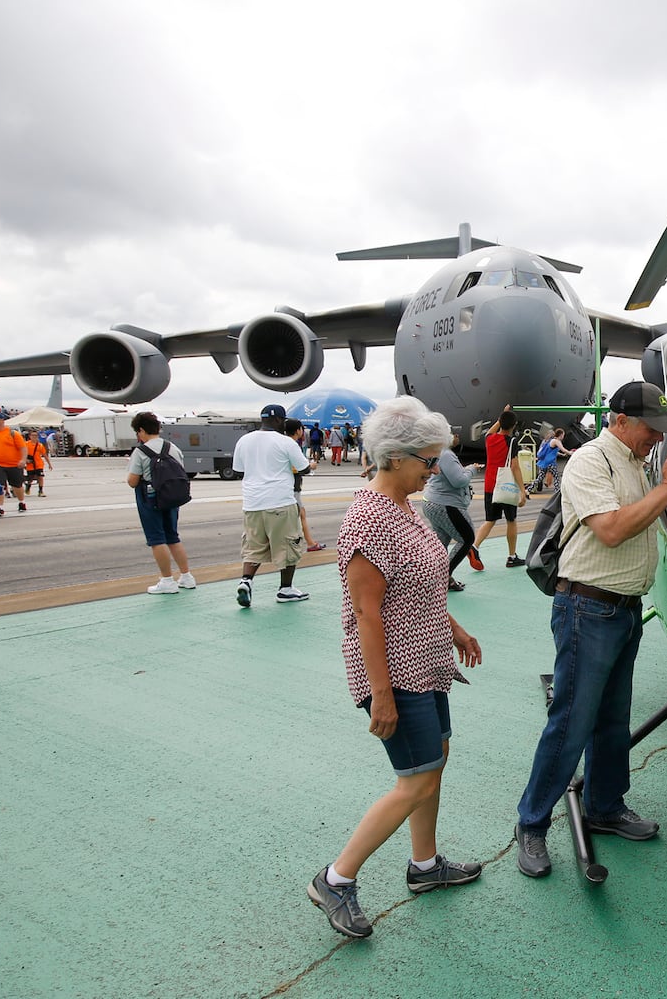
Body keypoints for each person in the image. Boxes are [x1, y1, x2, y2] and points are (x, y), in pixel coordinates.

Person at [306, 396, 484, 939]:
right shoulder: (368, 520)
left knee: (436, 761)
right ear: (393, 458)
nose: (434, 471)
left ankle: (425, 867)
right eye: (427, 462)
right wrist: (380, 695)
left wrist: (454, 630)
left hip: (425, 662)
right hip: (394, 673)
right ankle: (336, 878)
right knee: (416, 778)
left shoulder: (408, 508)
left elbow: (423, 582)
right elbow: (367, 612)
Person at [515, 382, 667, 878]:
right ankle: (531, 822)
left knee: (613, 717)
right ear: (619, 420)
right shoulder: (591, 461)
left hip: (622, 609)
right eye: (649, 428)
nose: (655, 439)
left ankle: (604, 806)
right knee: (572, 719)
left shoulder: (636, 463)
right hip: (587, 609)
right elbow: (612, 529)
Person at [231, 404, 312, 606]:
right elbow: (303, 468)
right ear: (278, 420)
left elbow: (238, 469)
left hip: (252, 503)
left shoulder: (244, 440)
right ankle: (285, 589)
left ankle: (246, 581)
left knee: (253, 547)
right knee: (288, 546)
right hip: (280, 502)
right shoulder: (285, 442)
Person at [126, 412, 197, 595]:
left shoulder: (141, 451)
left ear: (141, 430)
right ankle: (186, 576)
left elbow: (133, 481)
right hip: (172, 497)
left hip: (150, 498)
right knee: (173, 536)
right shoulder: (172, 447)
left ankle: (167, 580)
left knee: (157, 539)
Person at [419, 433, 483, 591]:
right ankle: (445, 578)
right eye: (453, 434)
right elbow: (459, 480)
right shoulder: (446, 454)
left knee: (441, 542)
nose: (457, 436)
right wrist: (472, 470)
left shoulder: (439, 452)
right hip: (446, 504)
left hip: (432, 502)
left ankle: (433, 578)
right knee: (467, 539)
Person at [471, 406, 528, 568]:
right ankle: (511, 556)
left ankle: (474, 547)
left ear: (500, 423)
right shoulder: (512, 442)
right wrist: (522, 490)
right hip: (506, 486)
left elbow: (490, 431)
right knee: (511, 520)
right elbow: (515, 467)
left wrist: (501, 416)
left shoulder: (490, 439)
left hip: (490, 485)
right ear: (514, 425)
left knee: (490, 520)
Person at [282, 418, 325, 552]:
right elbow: (302, 468)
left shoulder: (281, 443)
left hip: (284, 487)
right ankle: (310, 543)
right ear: (298, 430)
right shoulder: (292, 445)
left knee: (296, 515)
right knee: (301, 514)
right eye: (301, 428)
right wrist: (312, 465)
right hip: (292, 486)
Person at [0, 412, 28, 517]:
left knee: (17, 485)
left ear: (2, 420)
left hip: (14, 464)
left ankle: (21, 502)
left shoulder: (13, 433)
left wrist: (23, 460)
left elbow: (23, 448)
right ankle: (0, 507)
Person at [533, 427, 571, 492]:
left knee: (541, 476)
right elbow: (562, 449)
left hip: (544, 460)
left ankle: (530, 488)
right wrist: (570, 453)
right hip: (549, 461)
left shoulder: (546, 442)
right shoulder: (554, 441)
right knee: (555, 475)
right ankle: (556, 490)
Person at [23, 430, 54, 496]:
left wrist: (49, 464)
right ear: (30, 436)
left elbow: (45, 455)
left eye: (36, 436)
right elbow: (22, 454)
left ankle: (40, 491)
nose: (34, 437)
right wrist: (25, 460)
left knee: (40, 477)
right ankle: (28, 486)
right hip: (30, 465)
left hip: (39, 464)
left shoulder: (40, 445)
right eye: (33, 435)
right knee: (30, 478)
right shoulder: (26, 444)